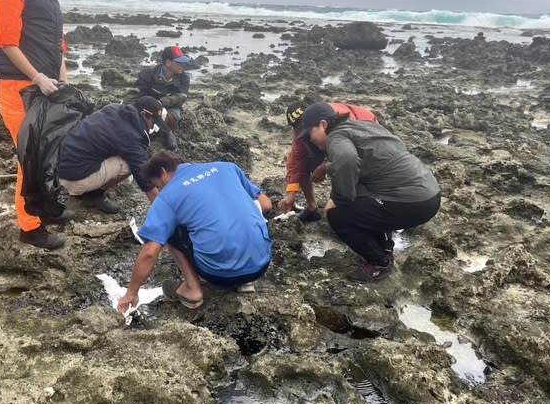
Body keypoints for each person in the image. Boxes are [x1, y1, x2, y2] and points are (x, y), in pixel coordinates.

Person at [0, 0, 69, 250]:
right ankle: (30, 226)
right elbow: (6, 41)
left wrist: (63, 77)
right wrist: (37, 77)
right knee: (30, 157)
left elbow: (57, 44)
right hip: (19, 88)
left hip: (48, 87)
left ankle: (45, 206)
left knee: (48, 152)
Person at [296, 103, 440, 282]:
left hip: (409, 202)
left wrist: (340, 198)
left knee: (337, 214)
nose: (310, 139)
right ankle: (385, 249)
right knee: (364, 197)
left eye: (310, 132)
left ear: (324, 125)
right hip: (430, 196)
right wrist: (327, 165)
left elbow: (347, 159)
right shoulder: (363, 125)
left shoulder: (336, 136)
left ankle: (379, 263)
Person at [117, 151, 273, 312]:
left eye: (157, 185)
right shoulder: (228, 168)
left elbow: (150, 253)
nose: (159, 190)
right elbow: (266, 204)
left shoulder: (167, 197)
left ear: (163, 172)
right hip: (261, 265)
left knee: (169, 230)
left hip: (219, 274)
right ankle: (244, 281)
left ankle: (192, 290)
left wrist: (131, 292)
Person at [58, 96, 164, 211]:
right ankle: (93, 195)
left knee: (125, 154)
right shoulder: (130, 135)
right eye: (153, 122)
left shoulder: (114, 108)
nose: (153, 127)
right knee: (129, 164)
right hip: (73, 180)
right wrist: (162, 209)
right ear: (143, 114)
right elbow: (143, 172)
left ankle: (88, 189)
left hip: (59, 168)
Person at [279, 101, 378, 222]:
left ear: (321, 122)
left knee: (355, 168)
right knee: (304, 162)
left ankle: (358, 204)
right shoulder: (299, 132)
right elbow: (296, 161)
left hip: (362, 134)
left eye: (306, 128)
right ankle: (312, 208)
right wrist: (291, 193)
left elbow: (347, 156)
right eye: (300, 129)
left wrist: (324, 166)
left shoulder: (339, 119)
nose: (305, 133)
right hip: (330, 140)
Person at [135, 46, 191, 149]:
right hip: (149, 106)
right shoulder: (147, 75)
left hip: (171, 106)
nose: (182, 66)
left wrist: (163, 102)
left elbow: (182, 97)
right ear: (168, 63)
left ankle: (167, 134)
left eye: (183, 63)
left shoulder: (184, 78)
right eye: (179, 63)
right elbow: (137, 95)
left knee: (172, 116)